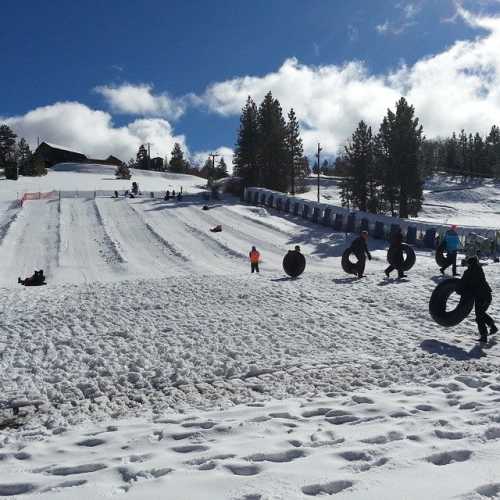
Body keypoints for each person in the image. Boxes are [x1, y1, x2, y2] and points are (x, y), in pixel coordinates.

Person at [456, 256, 497, 343]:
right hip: (487, 296)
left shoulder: (468, 272)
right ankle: (493, 327)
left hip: (480, 297)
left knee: (479, 317)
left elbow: (463, 283)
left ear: (469, 264)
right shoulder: (479, 269)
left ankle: (484, 336)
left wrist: (458, 290)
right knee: (481, 313)